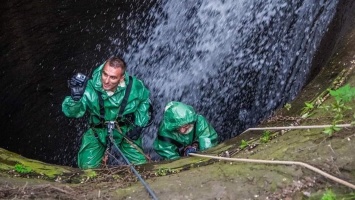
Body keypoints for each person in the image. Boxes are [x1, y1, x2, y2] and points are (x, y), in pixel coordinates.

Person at [62, 56, 151, 169]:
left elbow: (144, 103)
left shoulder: (135, 86)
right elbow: (72, 113)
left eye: (113, 77)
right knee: (86, 169)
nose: (106, 80)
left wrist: (138, 126)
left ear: (122, 78)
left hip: (125, 131)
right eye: (105, 74)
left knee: (142, 166)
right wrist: (75, 99)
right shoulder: (90, 87)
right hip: (98, 131)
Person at [153, 101, 218, 160]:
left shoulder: (199, 122)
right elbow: (171, 158)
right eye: (178, 128)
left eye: (186, 126)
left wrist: (196, 147)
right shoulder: (165, 133)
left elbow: (208, 143)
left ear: (191, 121)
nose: (182, 131)